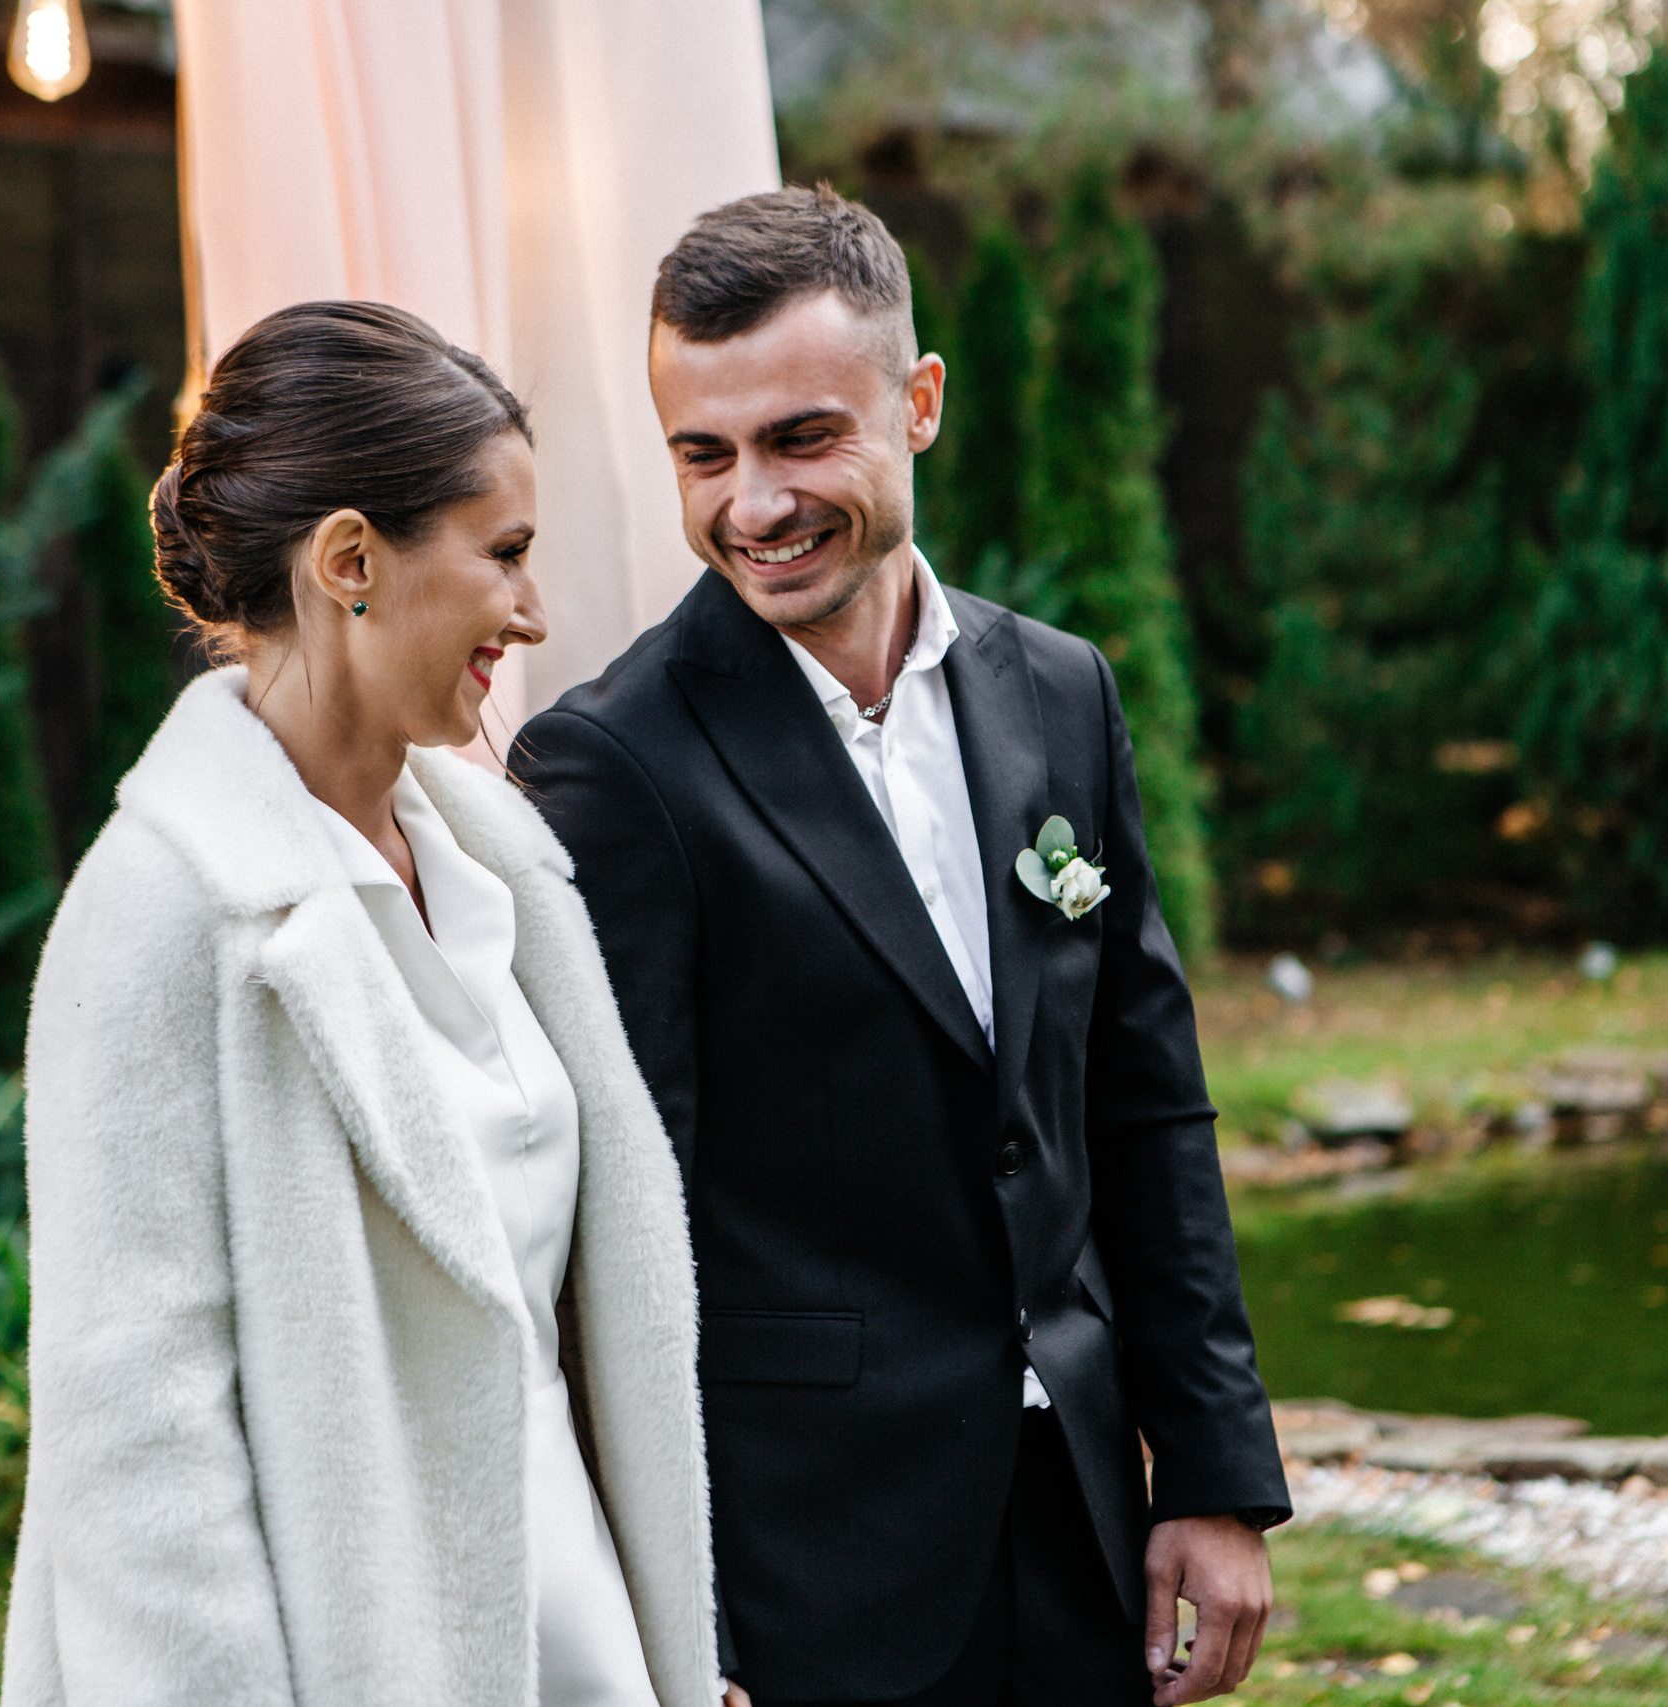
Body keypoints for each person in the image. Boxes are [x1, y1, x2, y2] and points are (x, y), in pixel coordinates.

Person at [510, 187, 1291, 1707]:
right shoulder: (615, 768)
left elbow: (1146, 1107)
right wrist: (674, 1619)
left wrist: (1210, 1473)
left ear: (918, 402)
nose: (752, 504)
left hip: (1076, 1525)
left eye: (804, 438)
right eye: (702, 454)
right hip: (805, 1574)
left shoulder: (1061, 693)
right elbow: (604, 1231)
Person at [0, 300, 720, 1707]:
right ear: (350, 562)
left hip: (574, 1633)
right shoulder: (160, 912)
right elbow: (137, 1457)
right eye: (503, 555)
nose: (534, 611)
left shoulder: (501, 867)